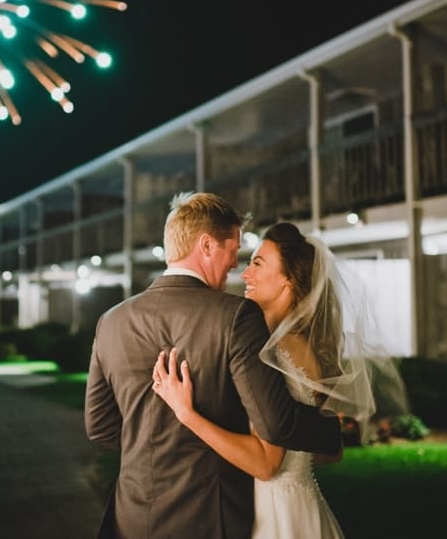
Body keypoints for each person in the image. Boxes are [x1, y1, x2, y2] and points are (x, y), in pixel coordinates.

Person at [85, 193, 342, 539]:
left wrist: (155, 443)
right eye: (233, 250)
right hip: (210, 514)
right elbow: (276, 425)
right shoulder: (236, 316)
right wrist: (331, 432)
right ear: (206, 245)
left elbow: (99, 426)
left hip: (133, 515)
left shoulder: (111, 321)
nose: (237, 264)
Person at [152, 221, 408, 538]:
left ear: (287, 280)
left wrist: (186, 414)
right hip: (303, 503)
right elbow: (331, 449)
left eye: (257, 264)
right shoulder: (308, 346)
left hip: (273, 514)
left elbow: (265, 465)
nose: (245, 274)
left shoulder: (272, 350)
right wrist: (294, 461)